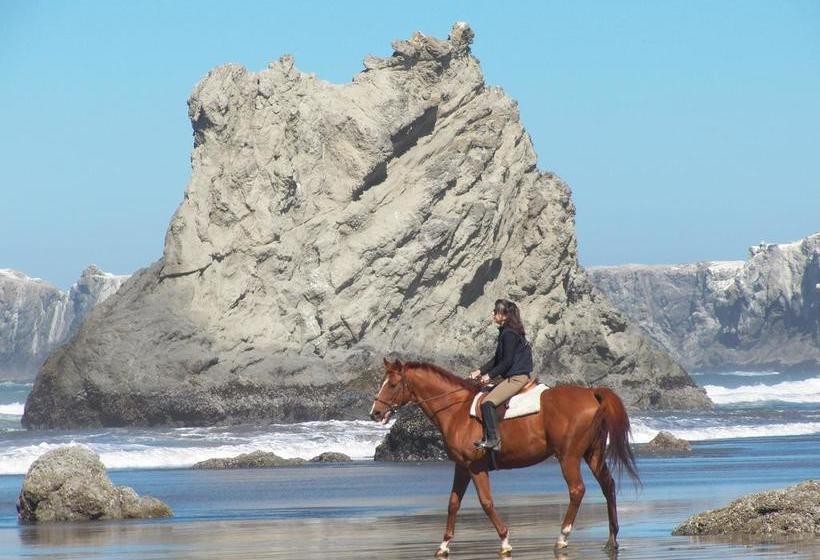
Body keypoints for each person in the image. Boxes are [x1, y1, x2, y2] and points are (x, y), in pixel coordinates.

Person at [469, 298, 533, 451]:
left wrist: (488, 377)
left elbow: (507, 362)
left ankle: (494, 440)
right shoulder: (506, 331)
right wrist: (480, 371)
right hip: (513, 376)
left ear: (504, 315)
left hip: (517, 378)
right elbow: (497, 359)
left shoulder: (509, 334)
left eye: (495, 311)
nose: (493, 313)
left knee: (487, 403)